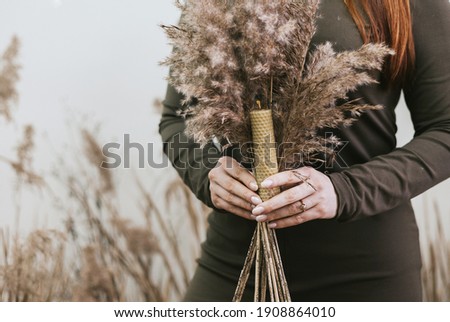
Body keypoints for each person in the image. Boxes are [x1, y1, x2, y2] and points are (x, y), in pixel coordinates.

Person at [159, 0, 450, 301]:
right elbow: (178, 118)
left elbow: (445, 131)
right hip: (236, 265)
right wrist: (206, 172)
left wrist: (344, 191)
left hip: (365, 273)